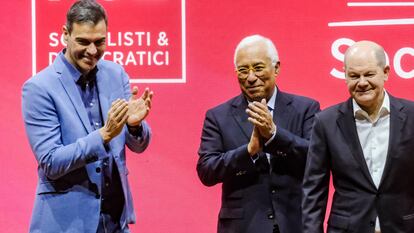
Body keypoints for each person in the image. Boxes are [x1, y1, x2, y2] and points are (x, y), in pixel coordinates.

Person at [22, 1, 153, 232]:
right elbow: (51, 162)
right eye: (83, 41)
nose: (92, 51)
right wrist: (103, 135)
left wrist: (134, 127)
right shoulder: (39, 87)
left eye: (100, 42)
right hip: (65, 224)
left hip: (115, 221)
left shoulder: (116, 74)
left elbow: (137, 146)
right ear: (65, 34)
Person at [197, 34, 320, 233]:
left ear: (276, 68)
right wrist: (248, 152)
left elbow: (317, 159)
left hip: (294, 223)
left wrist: (274, 135)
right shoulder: (218, 116)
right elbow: (206, 171)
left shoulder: (306, 109)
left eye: (258, 68)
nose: (251, 77)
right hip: (242, 226)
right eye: (243, 70)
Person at [302, 40, 414, 233]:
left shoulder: (412, 116)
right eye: (354, 75)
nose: (362, 83)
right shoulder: (325, 122)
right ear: (345, 76)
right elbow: (314, 190)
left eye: (369, 74)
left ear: (386, 72)